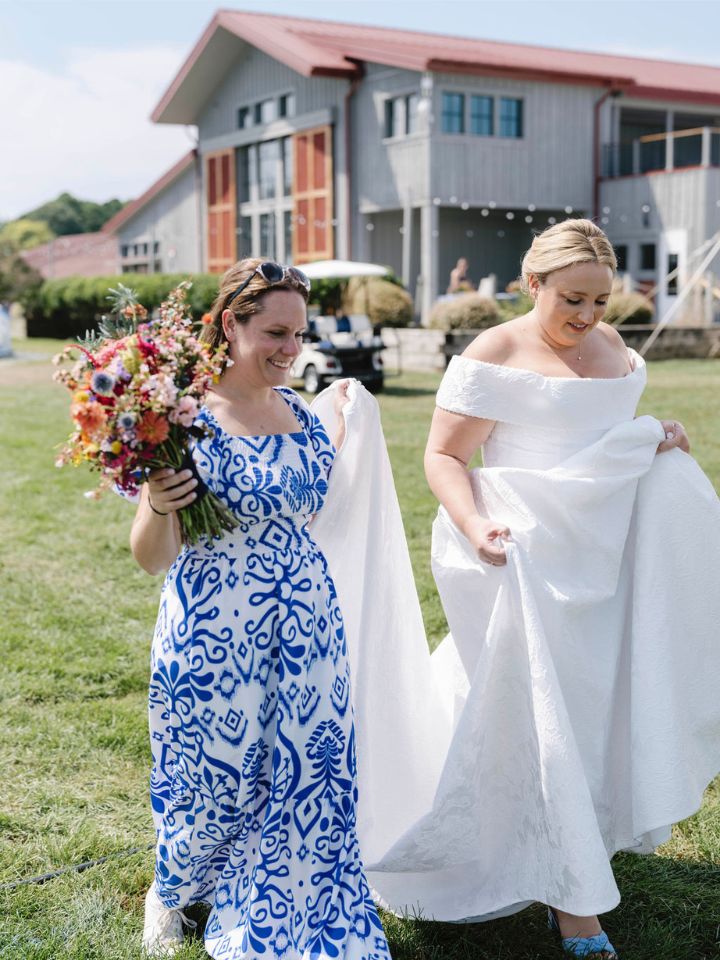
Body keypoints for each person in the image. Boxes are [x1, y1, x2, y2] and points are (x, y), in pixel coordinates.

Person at [304, 219, 719, 960]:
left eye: (600, 300)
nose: (588, 317)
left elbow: (604, 446)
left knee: (592, 713)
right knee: (539, 715)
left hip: (604, 557)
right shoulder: (493, 352)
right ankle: (575, 905)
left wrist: (656, 435)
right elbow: (443, 456)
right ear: (533, 285)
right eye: (572, 299)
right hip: (520, 555)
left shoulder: (617, 351)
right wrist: (473, 526)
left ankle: (559, 844)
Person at [131, 258, 389, 959]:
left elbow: (313, 504)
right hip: (215, 625)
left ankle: (276, 895)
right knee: (210, 773)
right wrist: (158, 502)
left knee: (305, 769)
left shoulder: (302, 416)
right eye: (275, 331)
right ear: (231, 323)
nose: (289, 348)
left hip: (306, 625)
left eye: (298, 334)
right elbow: (151, 556)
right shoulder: (183, 420)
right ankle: (174, 888)